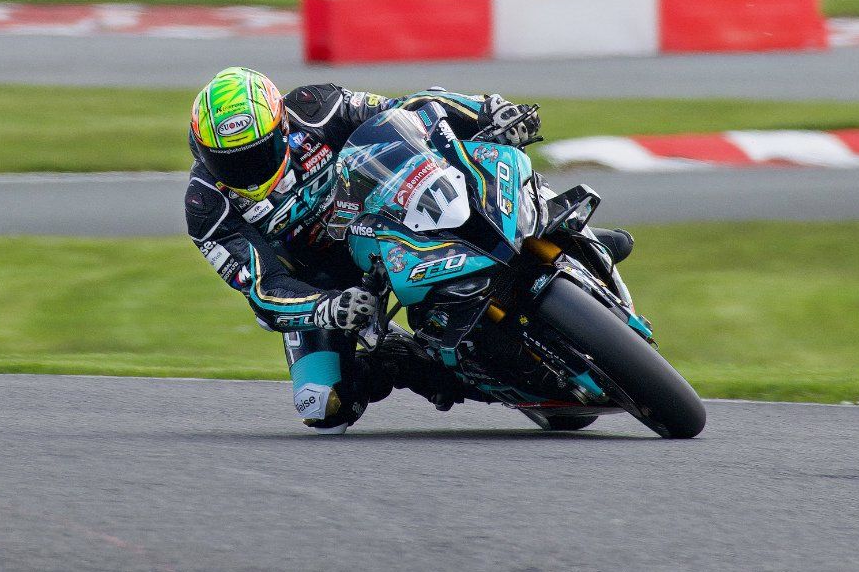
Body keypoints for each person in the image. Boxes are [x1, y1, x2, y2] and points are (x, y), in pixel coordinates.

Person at [184, 67, 628, 432]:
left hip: (381, 213)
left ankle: (550, 231)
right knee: (322, 405)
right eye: (229, 160)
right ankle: (415, 364)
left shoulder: (315, 108)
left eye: (256, 153)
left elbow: (407, 111)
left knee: (468, 155)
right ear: (203, 153)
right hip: (329, 284)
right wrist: (325, 309)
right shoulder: (207, 208)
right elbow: (264, 288)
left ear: (280, 126)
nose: (245, 169)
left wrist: (487, 112)